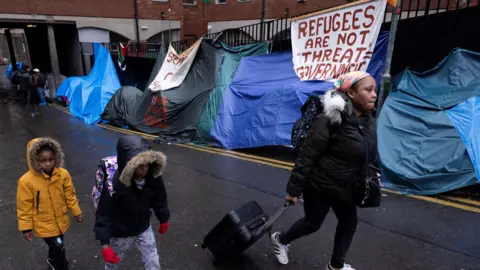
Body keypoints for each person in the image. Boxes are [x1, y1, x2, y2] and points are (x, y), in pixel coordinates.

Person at [270, 71, 378, 270]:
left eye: (375, 89)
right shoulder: (329, 118)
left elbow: (369, 151)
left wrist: (373, 173)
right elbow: (307, 155)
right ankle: (281, 239)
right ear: (351, 93)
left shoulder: (368, 119)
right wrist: (293, 191)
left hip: (347, 186)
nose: (374, 94)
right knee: (313, 223)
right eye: (368, 90)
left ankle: (336, 265)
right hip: (320, 185)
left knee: (348, 222)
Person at [94, 135, 170, 270]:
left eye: (147, 164)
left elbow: (159, 198)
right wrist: (105, 244)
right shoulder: (115, 185)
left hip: (143, 227)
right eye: (140, 165)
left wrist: (163, 218)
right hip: (121, 231)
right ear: (127, 164)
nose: (145, 168)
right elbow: (104, 213)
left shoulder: (152, 177)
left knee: (153, 260)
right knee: (113, 262)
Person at [16, 137, 83, 270]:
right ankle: (61, 266)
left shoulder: (63, 175)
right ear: (35, 161)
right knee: (59, 248)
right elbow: (24, 205)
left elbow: (70, 195)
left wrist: (76, 212)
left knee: (58, 244)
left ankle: (52, 259)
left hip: (60, 219)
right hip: (44, 223)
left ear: (56, 157)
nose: (47, 164)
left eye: (50, 159)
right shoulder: (26, 181)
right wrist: (26, 228)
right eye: (43, 161)